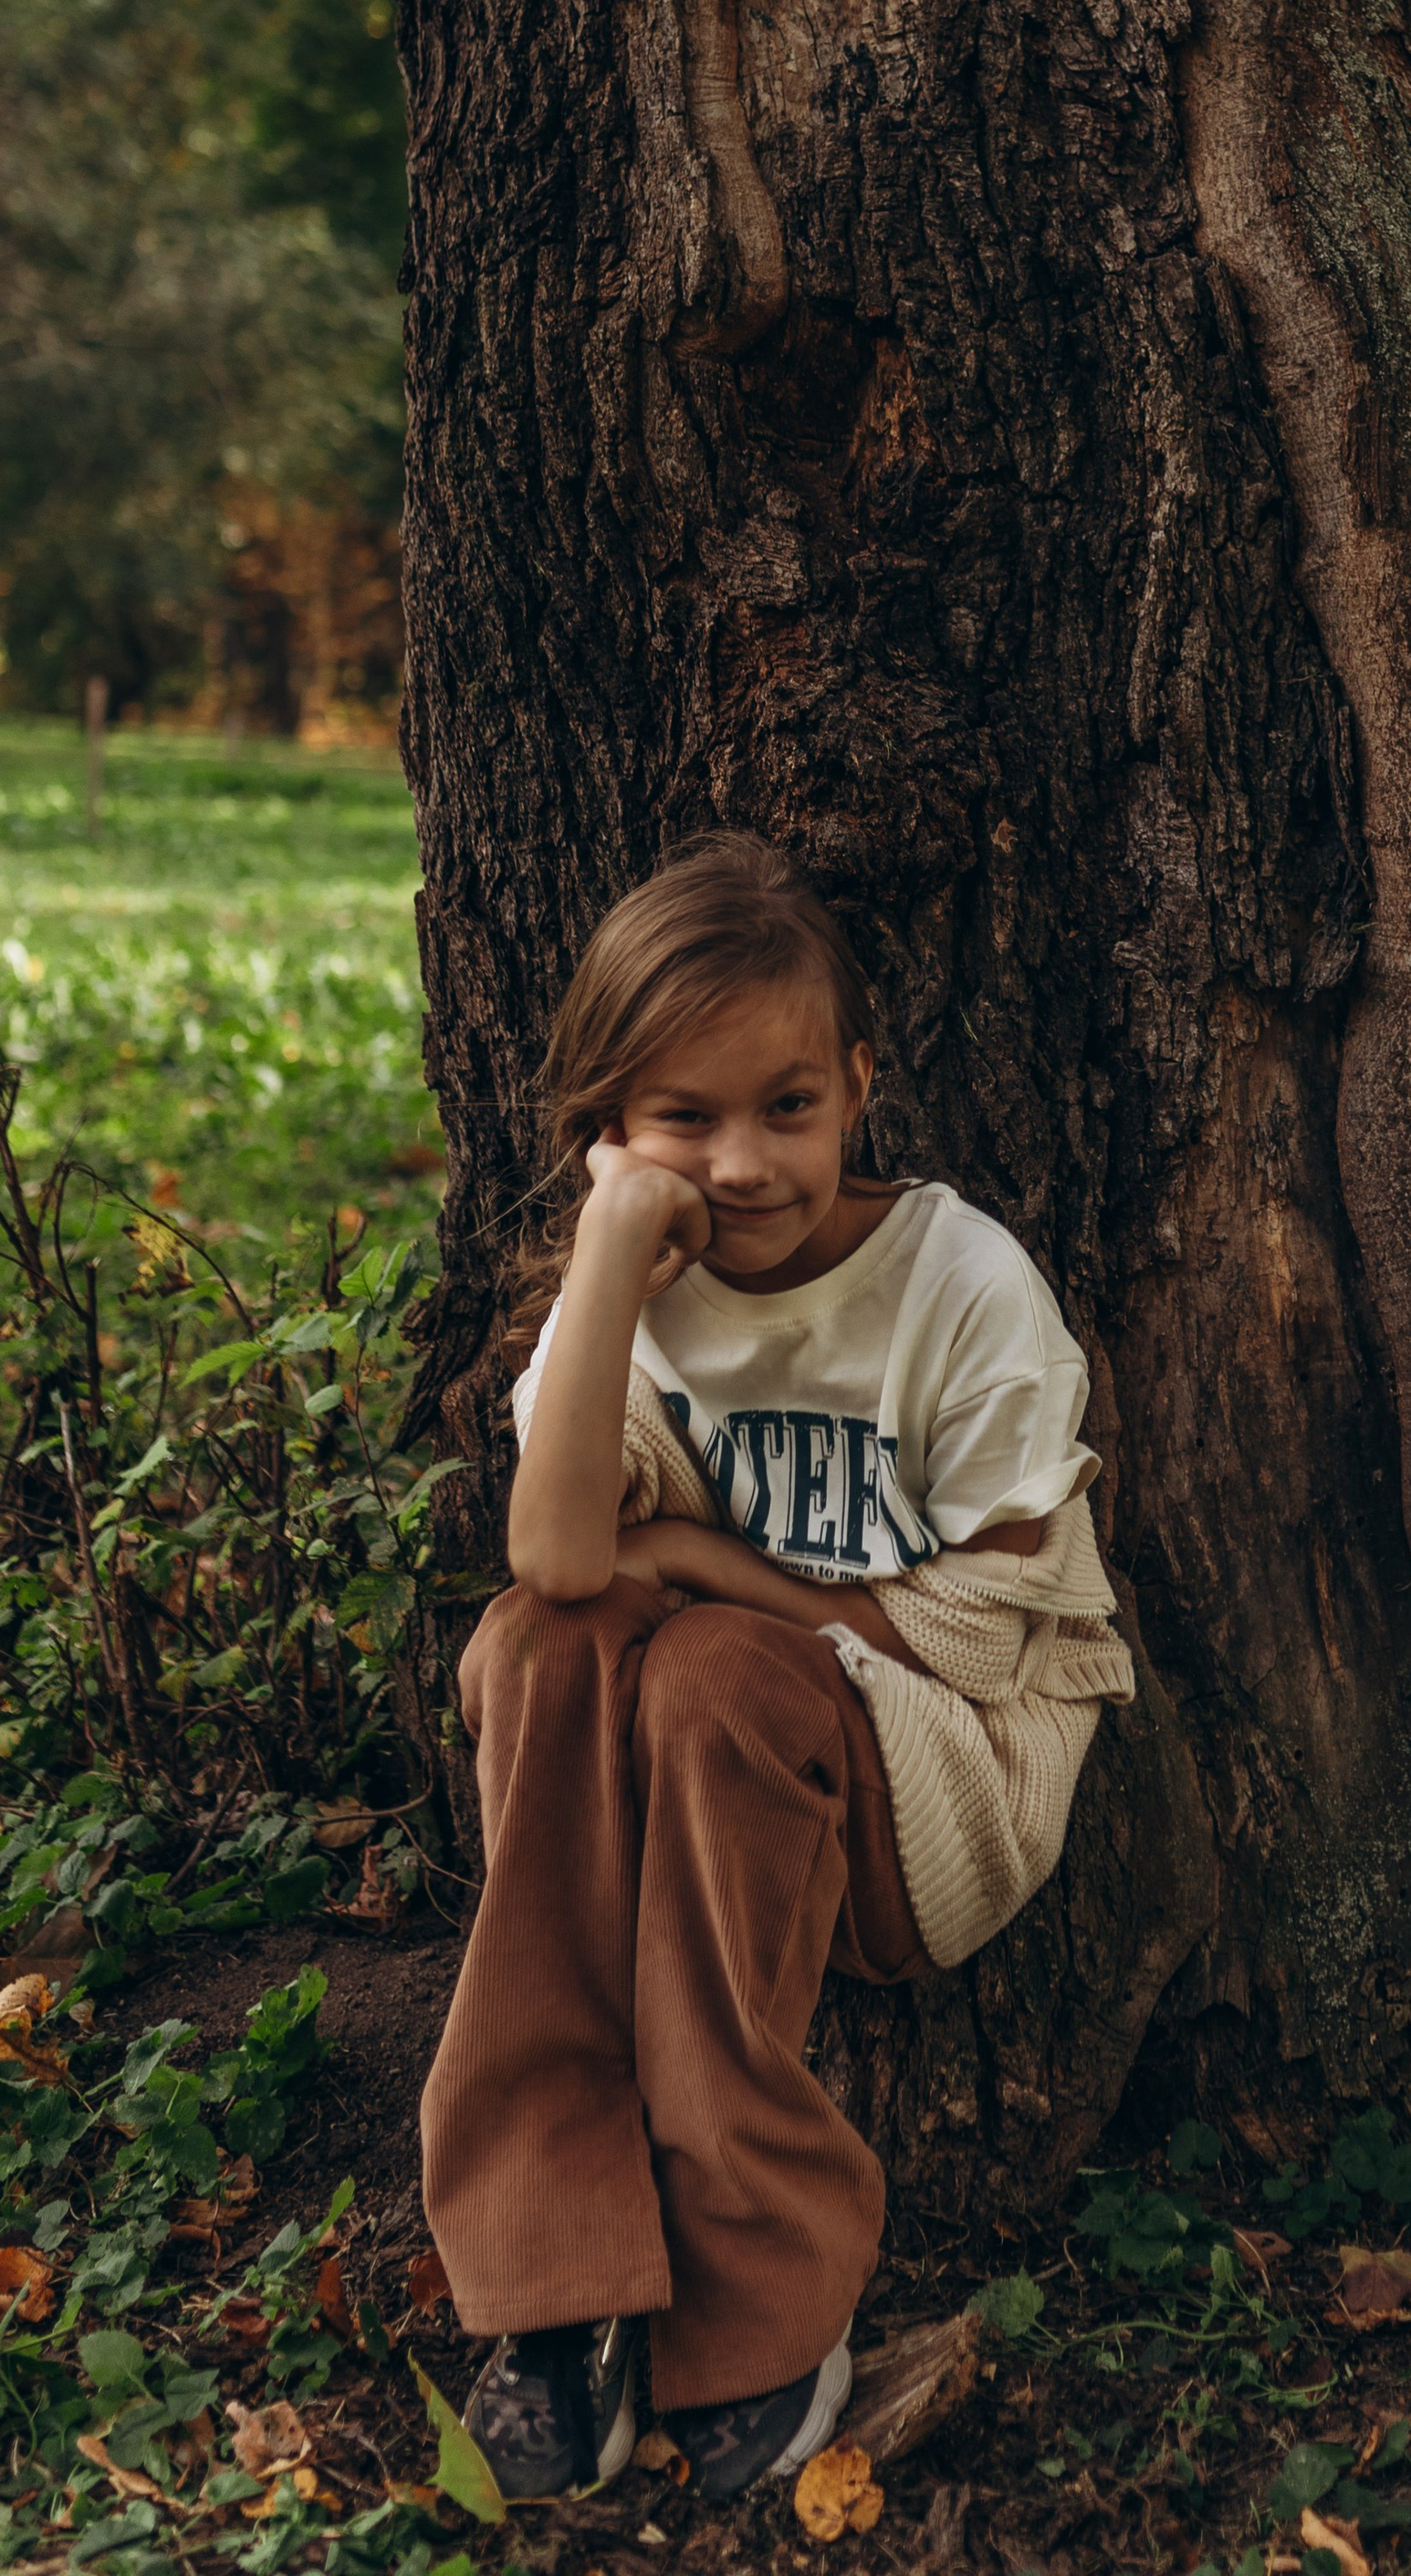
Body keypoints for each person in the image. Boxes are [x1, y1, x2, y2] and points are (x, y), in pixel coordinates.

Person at [419, 837, 1134, 2503]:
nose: (741, 1165)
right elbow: (560, 1560)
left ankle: (763, 2291)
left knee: (709, 1673)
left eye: (787, 1109)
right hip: (684, 1777)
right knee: (539, 1646)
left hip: (935, 1789)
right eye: (681, 1119)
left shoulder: (958, 1287)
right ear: (606, 1131)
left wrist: (701, 1572)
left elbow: (964, 1635)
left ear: (858, 1089)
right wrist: (607, 1259)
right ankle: (558, 2285)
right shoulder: (640, 1290)